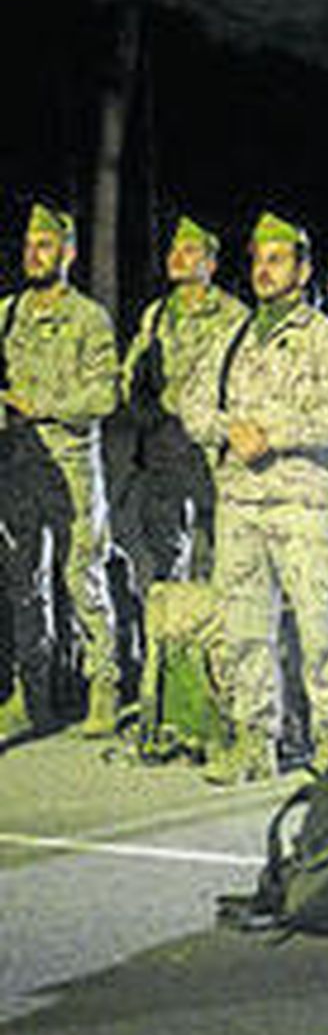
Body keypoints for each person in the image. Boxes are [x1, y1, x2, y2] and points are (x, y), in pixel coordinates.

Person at [180, 212, 328, 784]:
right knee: (244, 628)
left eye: (277, 259)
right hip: (239, 502)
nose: (264, 269)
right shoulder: (230, 337)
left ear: (303, 268)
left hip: (302, 503)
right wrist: (226, 431)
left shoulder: (325, 338)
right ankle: (255, 739)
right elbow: (192, 404)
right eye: (259, 259)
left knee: (320, 627)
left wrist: (274, 433)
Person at [0, 205, 120, 739]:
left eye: (45, 244)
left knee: (82, 579)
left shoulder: (88, 318)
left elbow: (105, 394)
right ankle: (34, 697)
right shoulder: (5, 314)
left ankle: (104, 689)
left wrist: (41, 405)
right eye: (29, 244)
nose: (34, 253)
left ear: (68, 253)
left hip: (72, 469)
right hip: (18, 469)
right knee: (25, 585)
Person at [120, 215, 249, 586]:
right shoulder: (156, 314)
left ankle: (217, 635)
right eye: (174, 249)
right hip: (165, 446)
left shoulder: (233, 316)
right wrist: (141, 404)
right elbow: (130, 376)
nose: (177, 256)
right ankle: (172, 631)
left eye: (189, 250)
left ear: (210, 264)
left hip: (213, 451)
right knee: (162, 547)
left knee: (220, 552)